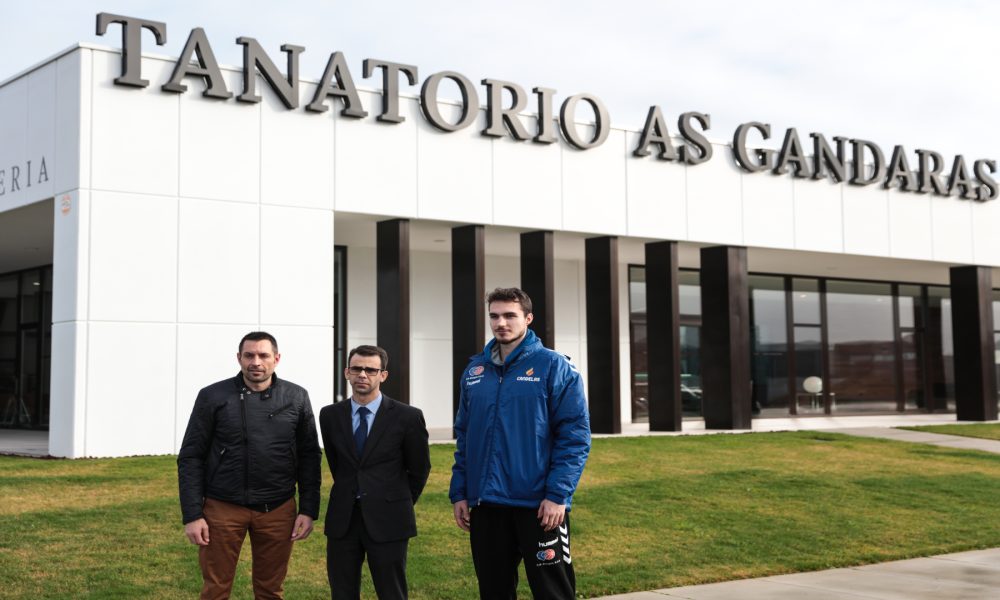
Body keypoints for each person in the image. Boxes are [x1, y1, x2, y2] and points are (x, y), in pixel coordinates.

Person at [450, 287, 591, 600]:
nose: (501, 322)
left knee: (553, 592)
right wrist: (460, 492)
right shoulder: (475, 371)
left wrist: (558, 495)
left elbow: (575, 437)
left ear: (528, 318)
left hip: (539, 507)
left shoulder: (554, 367)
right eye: (495, 316)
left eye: (509, 315)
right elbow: (465, 437)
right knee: (494, 591)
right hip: (486, 505)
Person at [177, 331, 321, 600]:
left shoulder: (297, 397)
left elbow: (310, 455)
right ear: (239, 358)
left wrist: (308, 509)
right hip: (222, 508)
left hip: (278, 509)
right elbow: (191, 456)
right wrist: (193, 514)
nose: (256, 361)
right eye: (249, 355)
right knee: (215, 588)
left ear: (276, 359)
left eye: (263, 355)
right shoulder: (212, 396)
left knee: (270, 590)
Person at [319, 345, 431, 600]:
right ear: (347, 372)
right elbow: (338, 464)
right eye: (357, 368)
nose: (363, 375)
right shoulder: (330, 415)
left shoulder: (408, 417)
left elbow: (419, 468)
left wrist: (396, 499)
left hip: (389, 517)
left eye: (370, 370)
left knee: (391, 591)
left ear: (383, 375)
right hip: (343, 519)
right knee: (342, 591)